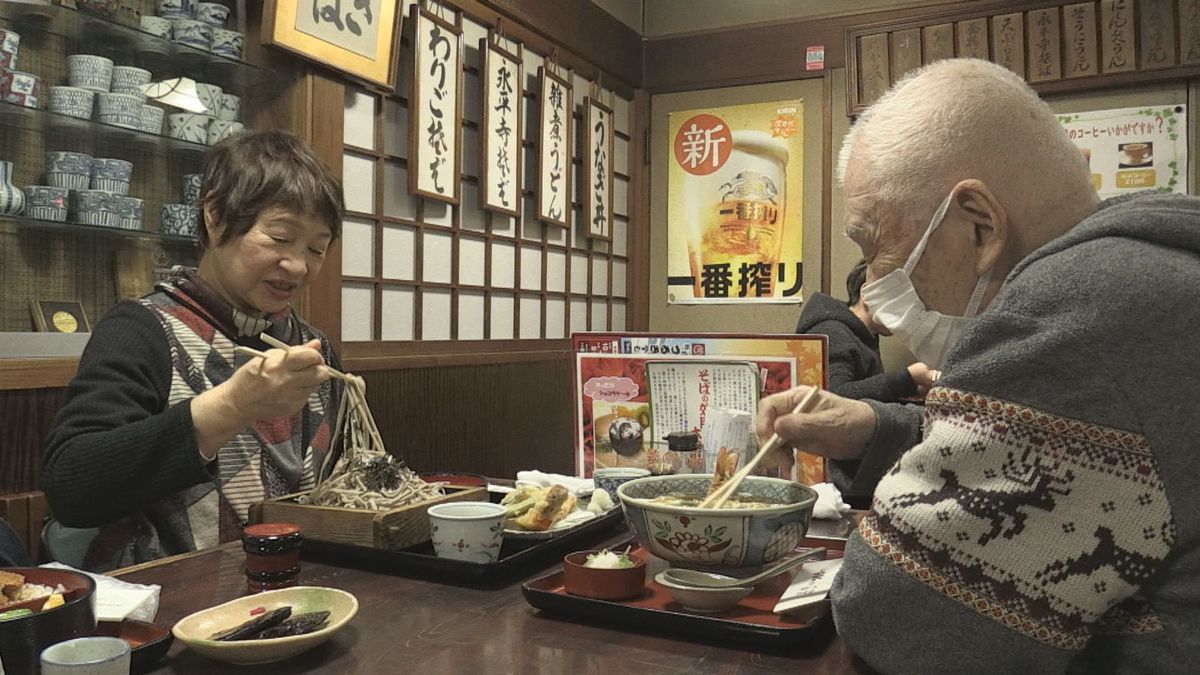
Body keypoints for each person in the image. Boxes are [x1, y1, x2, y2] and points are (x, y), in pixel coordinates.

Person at [757, 59, 1200, 672]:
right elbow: (1071, 476)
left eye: (874, 247)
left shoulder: (1079, 310)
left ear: (979, 225)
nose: (875, 280)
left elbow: (903, 618)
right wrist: (873, 424)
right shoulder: (1157, 269)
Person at [41, 130, 345, 571]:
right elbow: (71, 485)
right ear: (216, 216)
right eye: (280, 237)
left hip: (302, 594)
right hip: (172, 611)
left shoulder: (314, 351)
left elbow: (345, 485)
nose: (298, 265)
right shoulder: (142, 330)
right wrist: (235, 405)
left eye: (316, 248)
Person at [795, 259, 936, 503]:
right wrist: (908, 378)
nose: (908, 314)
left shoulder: (863, 334)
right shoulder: (834, 332)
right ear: (867, 294)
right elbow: (834, 398)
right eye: (901, 303)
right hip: (833, 481)